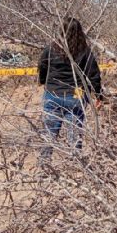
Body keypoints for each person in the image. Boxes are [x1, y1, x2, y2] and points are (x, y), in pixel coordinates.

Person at [38, 17, 103, 162]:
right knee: (74, 136)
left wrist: (43, 81)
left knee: (49, 133)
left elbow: (42, 67)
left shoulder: (50, 49)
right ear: (79, 32)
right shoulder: (84, 52)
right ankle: (76, 167)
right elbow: (94, 75)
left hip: (52, 95)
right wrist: (99, 95)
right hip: (75, 98)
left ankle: (43, 166)